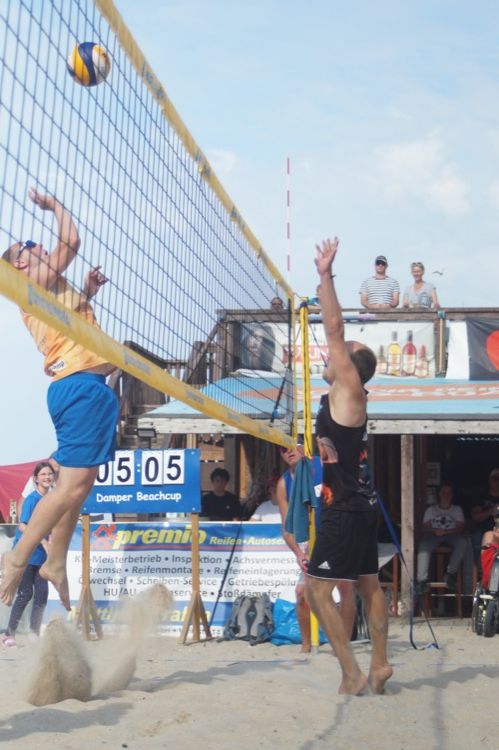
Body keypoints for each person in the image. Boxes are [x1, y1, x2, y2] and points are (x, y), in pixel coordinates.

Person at [0, 188, 118, 611]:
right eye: (30, 245)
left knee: (80, 485)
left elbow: (72, 320)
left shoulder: (51, 289)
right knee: (69, 487)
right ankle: (17, 557)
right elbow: (72, 240)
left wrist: (86, 291)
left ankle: (54, 561)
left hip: (90, 387)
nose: (40, 246)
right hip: (79, 386)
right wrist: (53, 206)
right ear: (20, 264)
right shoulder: (29, 283)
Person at [305, 237, 392, 695]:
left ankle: (352, 673)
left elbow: (335, 329)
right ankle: (379, 665)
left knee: (316, 590)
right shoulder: (340, 399)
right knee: (368, 585)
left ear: (350, 369)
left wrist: (325, 275)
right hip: (358, 505)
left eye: (341, 353)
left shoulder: (350, 388)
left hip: (343, 508)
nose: (331, 354)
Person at [2, 462, 55, 647]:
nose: (47, 477)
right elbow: (23, 526)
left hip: (41, 556)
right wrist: (44, 542)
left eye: (50, 474)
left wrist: (52, 539)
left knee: (42, 594)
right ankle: (9, 634)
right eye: (43, 474)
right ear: (36, 479)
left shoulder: (52, 499)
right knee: (25, 594)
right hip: (25, 553)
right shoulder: (32, 499)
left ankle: (34, 633)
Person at [275, 446, 312, 653]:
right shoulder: (284, 483)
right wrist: (299, 553)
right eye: (283, 449)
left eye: (293, 447)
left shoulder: (318, 470)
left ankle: (342, 642)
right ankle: (306, 645)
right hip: (307, 542)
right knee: (301, 593)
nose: (289, 452)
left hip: (332, 536)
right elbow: (286, 528)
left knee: (344, 590)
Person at [415, 482, 467, 593]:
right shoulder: (431, 510)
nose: (446, 495)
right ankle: (421, 580)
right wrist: (435, 530)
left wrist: (446, 531)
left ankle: (450, 573)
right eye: (443, 492)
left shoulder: (457, 509)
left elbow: (461, 528)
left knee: (462, 542)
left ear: (452, 495)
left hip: (452, 534)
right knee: (423, 546)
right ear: (439, 494)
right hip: (434, 534)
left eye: (449, 493)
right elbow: (424, 528)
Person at [470, 468, 499, 573]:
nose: (497, 481)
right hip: (483, 529)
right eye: (495, 478)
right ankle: (481, 571)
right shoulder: (481, 496)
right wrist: (491, 511)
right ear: (489, 480)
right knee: (478, 536)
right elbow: (476, 517)